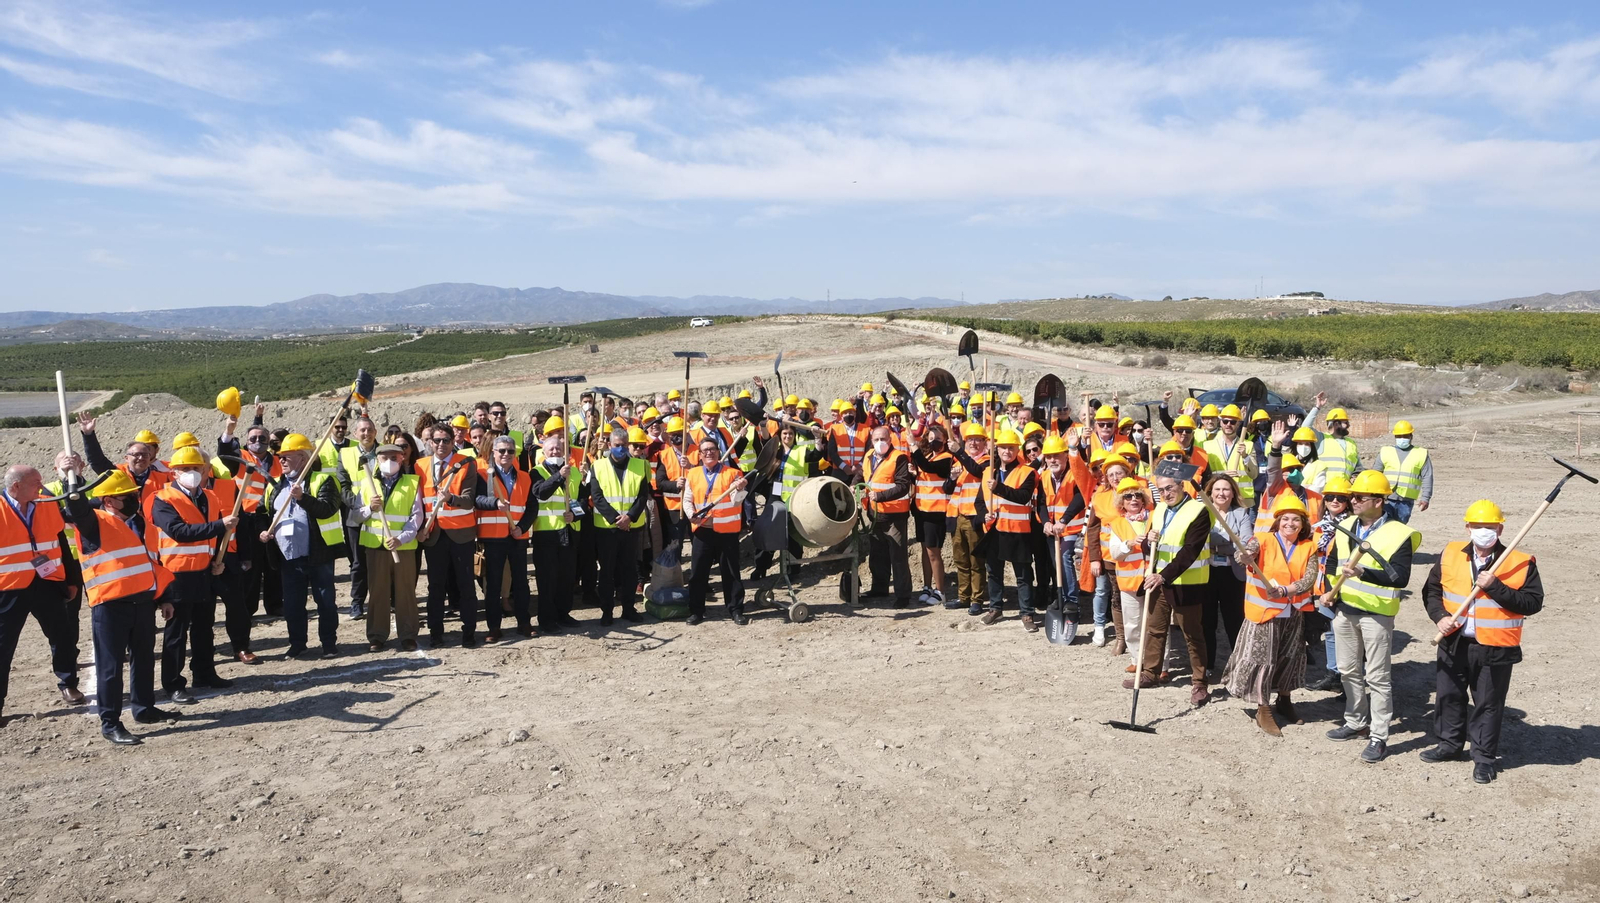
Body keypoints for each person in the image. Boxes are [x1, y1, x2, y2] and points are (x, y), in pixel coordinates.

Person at [1420, 500, 1542, 784]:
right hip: (1453, 641)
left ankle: (1484, 758)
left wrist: (1495, 587)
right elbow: (1432, 591)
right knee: (1448, 696)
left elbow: (1532, 603)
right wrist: (1439, 617)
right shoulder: (1450, 553)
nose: (1483, 531)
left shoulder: (1520, 561)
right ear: (1468, 527)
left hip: (1495, 646)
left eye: (1490, 526)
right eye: (1477, 526)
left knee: (1488, 703)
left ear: (1500, 529)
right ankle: (1449, 745)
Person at [60, 463, 183, 743]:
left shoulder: (140, 524)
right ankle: (111, 723)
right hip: (110, 605)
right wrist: (71, 480)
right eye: (127, 495)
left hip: (143, 602)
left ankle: (144, 709)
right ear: (109, 501)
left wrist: (163, 597)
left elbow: (151, 563)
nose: (134, 499)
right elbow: (77, 508)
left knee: (144, 659)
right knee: (110, 667)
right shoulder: (93, 522)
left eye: (134, 494)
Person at [1320, 470, 1420, 764]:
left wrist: (1364, 572)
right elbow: (1332, 564)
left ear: (1378, 500)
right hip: (1345, 610)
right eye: (1353, 497)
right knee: (1348, 670)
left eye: (1359, 497)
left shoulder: (1399, 533)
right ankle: (1356, 722)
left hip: (1377, 615)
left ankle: (1379, 736)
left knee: (1377, 677)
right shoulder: (1345, 526)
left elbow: (1400, 577)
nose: (1352, 501)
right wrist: (1329, 593)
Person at [1225, 494, 1321, 736]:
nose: (1290, 523)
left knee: (1290, 657)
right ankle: (1263, 708)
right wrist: (1244, 556)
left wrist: (1287, 590)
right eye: (1285, 519)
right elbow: (1244, 553)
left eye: (1296, 519)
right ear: (1277, 521)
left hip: (1294, 613)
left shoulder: (1309, 547)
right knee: (1263, 660)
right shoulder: (1262, 539)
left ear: (1303, 523)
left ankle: (1284, 700)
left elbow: (1310, 578)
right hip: (1264, 613)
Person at [150, 447, 238, 700]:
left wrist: (218, 561)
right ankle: (173, 684)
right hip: (176, 574)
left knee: (204, 627)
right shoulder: (162, 499)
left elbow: (215, 536)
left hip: (204, 571)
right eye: (185, 469)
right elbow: (179, 532)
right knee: (176, 633)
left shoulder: (210, 497)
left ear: (204, 470)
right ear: (175, 472)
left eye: (196, 468)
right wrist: (220, 525)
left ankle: (204, 672)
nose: (192, 472)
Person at [0, 464, 83, 723]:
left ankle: (68, 683)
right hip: (9, 588)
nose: (41, 485)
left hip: (47, 582)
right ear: (16, 486)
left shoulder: (46, 503)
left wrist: (71, 580)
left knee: (62, 635)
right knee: (3, 646)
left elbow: (61, 543)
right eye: (35, 482)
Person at [1126, 473, 1212, 707]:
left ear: (1181, 485)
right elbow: (1150, 546)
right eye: (1161, 490)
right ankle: (1150, 673)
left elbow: (1190, 550)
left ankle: (1199, 682)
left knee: (1192, 635)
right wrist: (1148, 540)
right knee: (1155, 629)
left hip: (1187, 584)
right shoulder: (1160, 509)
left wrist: (1163, 576)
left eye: (1170, 488)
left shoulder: (1199, 511)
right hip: (1158, 581)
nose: (1166, 493)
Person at [260, 434, 346, 658]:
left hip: (318, 553)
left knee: (325, 601)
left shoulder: (323, 480)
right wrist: (265, 532)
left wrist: (302, 498)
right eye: (280, 457)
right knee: (293, 604)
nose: (281, 460)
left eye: (287, 456)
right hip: (288, 557)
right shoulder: (275, 486)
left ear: (303, 458)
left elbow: (327, 509)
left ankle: (329, 643)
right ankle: (297, 644)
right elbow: (264, 514)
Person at [350, 443, 424, 652]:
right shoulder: (367, 483)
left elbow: (416, 516)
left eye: (394, 457)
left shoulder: (412, 483)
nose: (389, 461)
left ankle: (408, 635)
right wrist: (369, 508)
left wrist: (401, 538)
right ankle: (377, 635)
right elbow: (355, 516)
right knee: (378, 593)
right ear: (378, 460)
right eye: (385, 458)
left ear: (402, 459)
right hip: (375, 547)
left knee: (405, 592)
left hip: (403, 547)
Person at [419, 425, 480, 647]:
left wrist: (451, 498)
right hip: (433, 535)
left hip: (461, 535)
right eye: (437, 440)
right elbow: (417, 503)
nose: (441, 445)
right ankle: (435, 632)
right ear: (430, 442)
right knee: (435, 587)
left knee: (466, 585)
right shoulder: (419, 466)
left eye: (446, 440)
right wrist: (420, 528)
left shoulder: (466, 463)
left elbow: (469, 499)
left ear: (453, 442)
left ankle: (469, 632)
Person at [474, 435, 537, 640]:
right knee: (493, 584)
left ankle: (524, 622)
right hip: (493, 537)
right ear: (493, 452)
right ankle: (494, 627)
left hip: (517, 536)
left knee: (521, 583)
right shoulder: (484, 475)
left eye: (510, 451)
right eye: (501, 451)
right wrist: (494, 503)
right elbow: (476, 499)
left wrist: (522, 527)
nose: (506, 454)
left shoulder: (525, 477)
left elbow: (532, 508)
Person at [589, 426, 651, 626]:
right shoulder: (598, 466)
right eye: (617, 445)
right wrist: (617, 519)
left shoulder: (640, 465)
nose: (621, 449)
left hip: (632, 527)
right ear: (609, 445)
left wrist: (629, 517)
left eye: (624, 445)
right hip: (607, 528)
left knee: (629, 570)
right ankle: (607, 611)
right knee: (607, 571)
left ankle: (628, 609)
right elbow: (597, 497)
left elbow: (643, 496)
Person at [684, 437, 748, 625]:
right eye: (705, 450)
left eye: (712, 449)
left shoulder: (733, 474)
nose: (709, 452)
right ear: (700, 455)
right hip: (703, 531)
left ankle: (736, 609)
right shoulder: (693, 474)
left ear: (718, 452)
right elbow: (687, 500)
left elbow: (737, 501)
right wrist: (691, 515)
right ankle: (696, 611)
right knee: (698, 573)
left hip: (727, 531)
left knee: (731, 572)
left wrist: (740, 489)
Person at [979, 429, 1038, 628]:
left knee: (1023, 575)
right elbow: (980, 501)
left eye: (1011, 448)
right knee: (994, 572)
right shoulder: (988, 472)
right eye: (1003, 447)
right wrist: (983, 515)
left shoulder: (1027, 472)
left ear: (1017, 450)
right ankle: (995, 608)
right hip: (994, 529)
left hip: (1018, 530)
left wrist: (998, 488)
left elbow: (1023, 497)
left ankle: (1027, 613)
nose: (1007, 451)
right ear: (997, 449)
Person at [530, 424, 583, 631]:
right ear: (543, 451)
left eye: (559, 449)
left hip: (569, 531)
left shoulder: (575, 473)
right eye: (551, 449)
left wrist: (575, 515)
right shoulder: (536, 472)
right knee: (547, 579)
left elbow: (581, 500)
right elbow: (541, 493)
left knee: (566, 577)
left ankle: (563, 613)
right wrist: (559, 476)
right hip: (546, 533)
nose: (555, 451)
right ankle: (547, 619)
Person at [1202, 473, 1252, 677]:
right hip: (1206, 573)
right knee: (1207, 621)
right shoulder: (1202, 512)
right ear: (1210, 493)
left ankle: (1239, 666)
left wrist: (1215, 545)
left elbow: (1246, 544)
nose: (1221, 493)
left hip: (1233, 574)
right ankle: (1207, 665)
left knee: (1235, 622)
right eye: (1217, 489)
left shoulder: (1241, 514)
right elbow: (1201, 540)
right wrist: (1231, 540)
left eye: (1226, 489)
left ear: (1233, 493)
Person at [1103, 477, 1153, 673]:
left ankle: (1161, 664)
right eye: (1128, 497)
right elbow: (1114, 553)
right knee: (1132, 624)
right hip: (1129, 582)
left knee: (1156, 625)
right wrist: (1129, 544)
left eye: (1137, 495)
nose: (1134, 499)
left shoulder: (1154, 518)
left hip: (1152, 580)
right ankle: (1136, 659)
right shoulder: (1117, 524)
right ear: (1121, 502)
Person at [333, 416, 380, 622]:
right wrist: (360, 506)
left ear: (375, 432)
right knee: (358, 562)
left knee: (380, 561)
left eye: (370, 430)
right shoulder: (346, 454)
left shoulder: (384, 452)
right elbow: (343, 486)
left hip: (381, 515)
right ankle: (357, 603)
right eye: (362, 430)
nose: (366, 433)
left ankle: (385, 600)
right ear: (355, 434)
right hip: (356, 516)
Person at [862, 425, 914, 607]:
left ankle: (903, 595)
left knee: (898, 556)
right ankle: (879, 587)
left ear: (890, 440)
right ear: (871, 441)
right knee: (877, 554)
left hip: (895, 515)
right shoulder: (869, 456)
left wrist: (880, 496)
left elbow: (903, 486)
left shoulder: (899, 457)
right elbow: (864, 476)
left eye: (883, 439)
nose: (880, 443)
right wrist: (854, 484)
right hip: (875, 514)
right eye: (876, 439)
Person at [907, 423, 955, 606]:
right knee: (925, 551)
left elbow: (927, 467)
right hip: (921, 510)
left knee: (933, 552)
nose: (934, 442)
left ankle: (940, 591)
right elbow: (923, 475)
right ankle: (927, 586)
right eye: (931, 439)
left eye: (938, 439)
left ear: (945, 441)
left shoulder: (946, 459)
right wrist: (914, 474)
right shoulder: (927, 456)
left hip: (936, 511)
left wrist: (913, 446)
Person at [1202, 404, 1257, 513]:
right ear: (1220, 422)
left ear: (1238, 424)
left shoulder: (1248, 445)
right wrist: (1222, 476)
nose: (1228, 424)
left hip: (1243, 499)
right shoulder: (1207, 446)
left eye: (1232, 422)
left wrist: (1245, 456)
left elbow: (1254, 474)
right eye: (1225, 421)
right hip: (1218, 498)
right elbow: (1204, 476)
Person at [1378, 420, 1432, 523]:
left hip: (1405, 502)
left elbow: (1427, 477)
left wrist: (1425, 498)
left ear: (1411, 436)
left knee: (1400, 529)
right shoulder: (1385, 451)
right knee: (1382, 527)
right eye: (1399, 436)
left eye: (1405, 436)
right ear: (1395, 437)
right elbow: (1376, 474)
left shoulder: (1421, 454)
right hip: (1386, 499)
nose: (1402, 439)